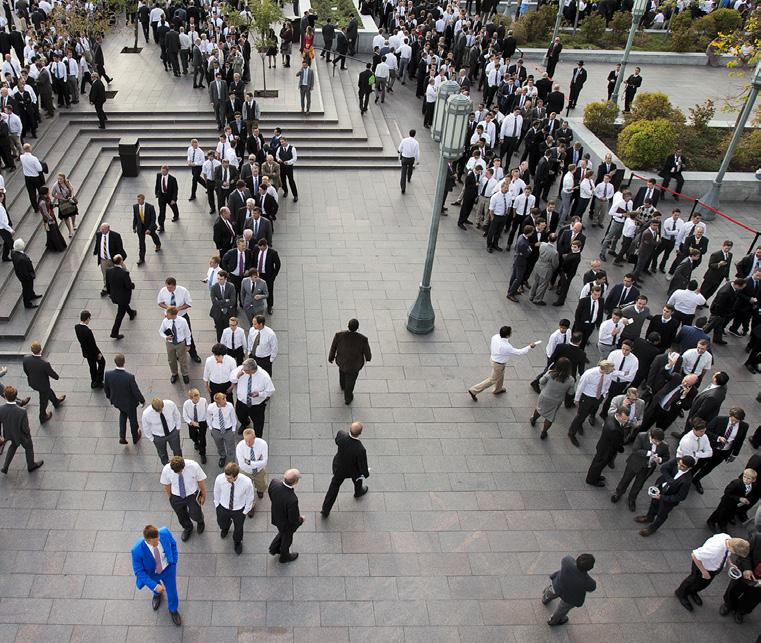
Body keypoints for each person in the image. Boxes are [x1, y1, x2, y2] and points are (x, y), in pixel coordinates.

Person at [674, 534, 750, 612]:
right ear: (732, 549)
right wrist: (703, 571)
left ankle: (692, 591)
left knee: (703, 583)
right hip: (703, 567)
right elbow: (695, 556)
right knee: (692, 580)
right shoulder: (714, 550)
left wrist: (730, 563)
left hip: (712, 567)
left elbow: (727, 554)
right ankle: (681, 593)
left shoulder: (728, 539)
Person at [130, 525, 182, 626]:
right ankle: (157, 595)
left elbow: (173, 544)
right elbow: (139, 572)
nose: (158, 542)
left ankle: (173, 610)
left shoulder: (164, 532)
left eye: (158, 538)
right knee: (156, 587)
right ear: (148, 541)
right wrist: (154, 586)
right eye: (156, 541)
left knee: (172, 591)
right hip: (152, 573)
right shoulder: (136, 550)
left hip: (168, 568)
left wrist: (174, 560)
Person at [635, 456, 696, 536]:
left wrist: (662, 497)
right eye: (679, 464)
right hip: (661, 488)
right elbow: (663, 468)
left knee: (662, 514)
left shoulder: (686, 481)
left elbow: (681, 496)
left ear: (689, 468)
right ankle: (649, 517)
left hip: (668, 499)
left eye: (682, 466)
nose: (679, 466)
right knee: (653, 504)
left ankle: (651, 529)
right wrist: (670, 480)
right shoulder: (677, 460)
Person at [612, 427, 669, 512]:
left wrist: (660, 459)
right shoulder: (641, 436)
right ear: (651, 436)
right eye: (656, 441)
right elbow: (635, 450)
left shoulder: (664, 445)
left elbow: (666, 456)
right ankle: (618, 493)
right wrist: (650, 453)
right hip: (635, 463)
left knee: (639, 484)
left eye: (659, 442)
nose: (657, 443)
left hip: (647, 468)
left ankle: (632, 499)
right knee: (626, 479)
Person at [691, 409, 749, 492]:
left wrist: (734, 454)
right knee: (699, 464)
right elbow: (706, 431)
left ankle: (696, 479)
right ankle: (689, 477)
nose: (733, 423)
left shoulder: (744, 426)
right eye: (732, 420)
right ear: (730, 415)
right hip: (711, 448)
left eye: (736, 421)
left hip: (724, 452)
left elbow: (740, 440)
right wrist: (718, 438)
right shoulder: (719, 419)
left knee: (709, 468)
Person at [320, 422, 370, 517]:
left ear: (349, 429)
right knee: (358, 479)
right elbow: (362, 464)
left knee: (334, 486)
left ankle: (325, 509)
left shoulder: (341, 435)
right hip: (353, 470)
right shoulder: (360, 449)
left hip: (339, 467)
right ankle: (358, 492)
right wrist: (365, 474)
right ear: (360, 433)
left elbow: (337, 441)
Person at [566, 361, 615, 447]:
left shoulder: (609, 374)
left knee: (588, 413)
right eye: (610, 370)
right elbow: (581, 386)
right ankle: (571, 432)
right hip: (587, 397)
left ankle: (580, 424)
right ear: (603, 369)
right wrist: (577, 399)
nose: (612, 371)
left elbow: (607, 384)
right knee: (580, 415)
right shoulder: (589, 374)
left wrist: (603, 394)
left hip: (598, 397)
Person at [541, 553, 596, 626]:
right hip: (570, 597)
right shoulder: (589, 582)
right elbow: (592, 588)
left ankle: (545, 598)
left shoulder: (567, 561)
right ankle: (554, 620)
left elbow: (567, 558)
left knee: (551, 591)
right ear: (590, 568)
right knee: (562, 609)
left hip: (558, 585)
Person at [160, 455, 207, 542]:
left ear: (183, 465)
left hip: (192, 494)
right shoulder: (167, 469)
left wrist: (203, 495)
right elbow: (166, 484)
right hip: (176, 496)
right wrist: (171, 497)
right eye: (176, 472)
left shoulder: (193, 466)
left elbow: (200, 481)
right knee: (181, 515)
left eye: (180, 471)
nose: (178, 473)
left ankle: (200, 521)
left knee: (196, 512)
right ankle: (188, 527)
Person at [0, 385, 43, 474]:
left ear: (5, 396)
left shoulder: (1, 409)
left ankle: (5, 467)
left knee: (13, 445)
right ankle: (31, 465)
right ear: (16, 396)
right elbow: (25, 427)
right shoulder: (21, 411)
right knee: (29, 447)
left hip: (9, 433)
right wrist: (28, 434)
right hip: (21, 435)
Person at [213, 462, 254, 555]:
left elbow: (250, 497)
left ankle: (237, 541)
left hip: (239, 509)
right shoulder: (220, 478)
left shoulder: (246, 482)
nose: (226, 479)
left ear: (236, 476)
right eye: (226, 477)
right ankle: (225, 528)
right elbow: (216, 491)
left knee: (239, 528)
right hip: (223, 507)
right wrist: (217, 504)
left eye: (229, 478)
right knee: (221, 522)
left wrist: (245, 511)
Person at [329, 318, 372, 405]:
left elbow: (333, 347)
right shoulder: (363, 339)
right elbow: (367, 352)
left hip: (342, 362)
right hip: (354, 366)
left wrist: (331, 357)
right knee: (351, 382)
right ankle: (348, 398)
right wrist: (368, 358)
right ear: (357, 328)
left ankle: (342, 385)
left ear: (348, 326)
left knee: (342, 373)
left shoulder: (339, 335)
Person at [104, 353, 144, 445]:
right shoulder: (129, 377)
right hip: (129, 403)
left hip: (117, 402)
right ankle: (135, 437)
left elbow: (106, 388)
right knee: (133, 419)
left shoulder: (108, 374)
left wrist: (110, 397)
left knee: (123, 414)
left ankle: (122, 436)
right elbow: (135, 391)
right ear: (124, 362)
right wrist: (142, 400)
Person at [531, 357, 575, 440]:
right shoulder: (571, 380)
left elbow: (541, 381)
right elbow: (571, 393)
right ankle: (544, 432)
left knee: (539, 409)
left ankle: (533, 419)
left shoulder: (550, 373)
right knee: (550, 417)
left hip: (545, 396)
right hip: (556, 400)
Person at [721, 531, 761, 623]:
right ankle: (729, 604)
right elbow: (744, 554)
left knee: (753, 598)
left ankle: (741, 611)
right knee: (735, 589)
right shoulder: (757, 538)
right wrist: (747, 569)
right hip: (745, 572)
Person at [22, 340, 64, 424]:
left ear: (31, 349)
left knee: (48, 391)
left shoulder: (26, 359)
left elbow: (26, 371)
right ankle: (42, 417)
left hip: (33, 382)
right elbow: (52, 374)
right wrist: (57, 377)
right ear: (40, 350)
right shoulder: (44, 364)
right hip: (43, 385)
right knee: (43, 401)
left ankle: (56, 402)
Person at [231, 358, 275, 437]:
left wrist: (259, 394)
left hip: (257, 406)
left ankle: (257, 438)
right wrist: (237, 376)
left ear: (252, 370)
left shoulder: (264, 376)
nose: (243, 371)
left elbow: (270, 390)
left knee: (258, 423)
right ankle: (245, 423)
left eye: (246, 370)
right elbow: (231, 378)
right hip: (242, 402)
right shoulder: (241, 370)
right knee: (240, 416)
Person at [707, 469, 759, 534]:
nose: (745, 479)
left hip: (736, 505)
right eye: (744, 477)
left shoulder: (754, 486)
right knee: (720, 511)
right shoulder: (736, 483)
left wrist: (748, 500)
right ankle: (711, 521)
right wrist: (739, 498)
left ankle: (722, 524)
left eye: (748, 478)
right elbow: (727, 492)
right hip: (727, 502)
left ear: (754, 480)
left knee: (729, 513)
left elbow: (751, 494)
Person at [586, 406, 628, 487]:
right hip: (606, 450)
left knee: (597, 464)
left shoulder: (610, 418)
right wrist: (621, 449)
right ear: (618, 415)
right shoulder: (614, 429)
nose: (625, 421)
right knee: (598, 465)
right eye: (624, 419)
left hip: (603, 446)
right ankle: (592, 480)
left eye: (626, 419)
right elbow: (616, 443)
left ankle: (595, 476)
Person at [268, 468, 304, 563]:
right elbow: (293, 519)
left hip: (276, 517)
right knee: (287, 539)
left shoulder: (274, 483)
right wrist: (300, 520)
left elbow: (271, 495)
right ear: (295, 482)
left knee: (282, 533)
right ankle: (284, 557)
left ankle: (274, 548)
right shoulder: (292, 499)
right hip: (286, 524)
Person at [236, 428, 268, 514]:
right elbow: (242, 465)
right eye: (246, 441)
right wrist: (257, 462)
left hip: (259, 471)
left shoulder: (263, 444)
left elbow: (264, 462)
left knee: (262, 484)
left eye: (250, 441)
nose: (248, 443)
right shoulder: (240, 447)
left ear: (254, 437)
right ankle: (250, 506)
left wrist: (250, 462)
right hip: (245, 472)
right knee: (246, 490)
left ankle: (260, 490)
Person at [142, 397, 182, 465]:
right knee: (162, 454)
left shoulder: (170, 404)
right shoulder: (146, 414)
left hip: (172, 433)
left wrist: (178, 427)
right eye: (158, 410)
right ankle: (166, 465)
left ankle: (179, 464)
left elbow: (176, 415)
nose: (160, 411)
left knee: (177, 450)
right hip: (158, 437)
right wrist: (152, 438)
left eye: (161, 409)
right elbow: (146, 427)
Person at [106, 255, 136, 340]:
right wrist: (132, 285)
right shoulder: (124, 273)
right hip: (123, 297)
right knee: (120, 315)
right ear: (121, 261)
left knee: (124, 306)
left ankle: (131, 313)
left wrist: (110, 293)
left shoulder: (109, 271)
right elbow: (128, 285)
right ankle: (114, 333)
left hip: (114, 296)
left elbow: (107, 284)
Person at [94, 223, 127, 297]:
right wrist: (95, 251)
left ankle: (116, 287)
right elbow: (98, 244)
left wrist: (119, 257)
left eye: (103, 229)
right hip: (103, 259)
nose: (102, 230)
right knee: (105, 274)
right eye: (101, 229)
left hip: (112, 259)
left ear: (108, 228)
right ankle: (106, 287)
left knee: (114, 274)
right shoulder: (99, 235)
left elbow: (119, 247)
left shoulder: (115, 236)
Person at [74, 310, 105, 389]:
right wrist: (98, 353)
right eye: (89, 318)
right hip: (92, 352)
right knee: (102, 362)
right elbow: (93, 345)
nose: (89, 320)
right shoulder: (88, 331)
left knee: (92, 366)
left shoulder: (76, 327)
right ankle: (98, 381)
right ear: (87, 319)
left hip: (86, 352)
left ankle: (93, 381)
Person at [253, 238, 281, 315]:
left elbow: (278, 265)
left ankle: (269, 306)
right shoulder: (256, 249)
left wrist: (273, 276)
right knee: (255, 289)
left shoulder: (273, 253)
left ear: (265, 246)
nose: (259, 249)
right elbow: (253, 260)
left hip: (268, 276)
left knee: (269, 291)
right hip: (258, 274)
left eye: (261, 248)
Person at [133, 194, 161, 265]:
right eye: (137, 199)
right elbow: (135, 218)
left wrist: (149, 229)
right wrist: (134, 227)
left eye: (139, 199)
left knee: (154, 236)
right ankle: (141, 258)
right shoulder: (135, 207)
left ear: (143, 199)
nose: (138, 201)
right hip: (140, 228)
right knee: (141, 243)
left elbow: (153, 219)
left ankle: (158, 244)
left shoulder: (150, 207)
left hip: (149, 226)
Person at [11, 239, 39, 308]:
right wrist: (29, 277)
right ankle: (27, 303)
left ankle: (32, 295)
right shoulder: (21, 259)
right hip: (26, 277)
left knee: (30, 287)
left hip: (25, 275)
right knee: (26, 289)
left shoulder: (14, 253)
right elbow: (24, 271)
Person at [210, 271, 237, 341]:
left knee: (228, 329)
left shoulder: (231, 286)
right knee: (219, 331)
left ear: (225, 279)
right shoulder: (214, 287)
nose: (219, 281)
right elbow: (214, 302)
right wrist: (225, 300)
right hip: (217, 313)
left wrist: (220, 302)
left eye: (221, 279)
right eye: (218, 279)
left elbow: (232, 302)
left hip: (228, 313)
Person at [182, 388, 208, 464]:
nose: (198, 399)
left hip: (202, 421)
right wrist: (191, 422)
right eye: (195, 398)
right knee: (192, 435)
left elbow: (207, 411)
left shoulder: (203, 401)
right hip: (192, 422)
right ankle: (196, 442)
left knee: (202, 438)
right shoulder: (186, 404)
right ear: (191, 398)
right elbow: (185, 415)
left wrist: (207, 421)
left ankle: (202, 453)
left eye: (198, 396)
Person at [50, 172, 78, 238]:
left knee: (73, 213)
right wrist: (60, 198)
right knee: (66, 216)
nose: (59, 180)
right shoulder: (55, 185)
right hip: (62, 202)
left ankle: (73, 223)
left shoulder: (67, 182)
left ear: (64, 178)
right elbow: (53, 194)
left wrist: (71, 196)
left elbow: (71, 189)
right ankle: (70, 231)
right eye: (58, 179)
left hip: (69, 200)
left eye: (61, 179)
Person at [398, 129, 419, 195]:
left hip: (404, 158)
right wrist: (417, 160)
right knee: (410, 168)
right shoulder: (416, 143)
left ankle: (403, 188)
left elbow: (400, 149)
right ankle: (409, 177)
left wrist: (400, 151)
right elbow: (417, 153)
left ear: (409, 133)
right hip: (411, 158)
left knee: (403, 173)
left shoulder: (404, 140)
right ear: (414, 134)